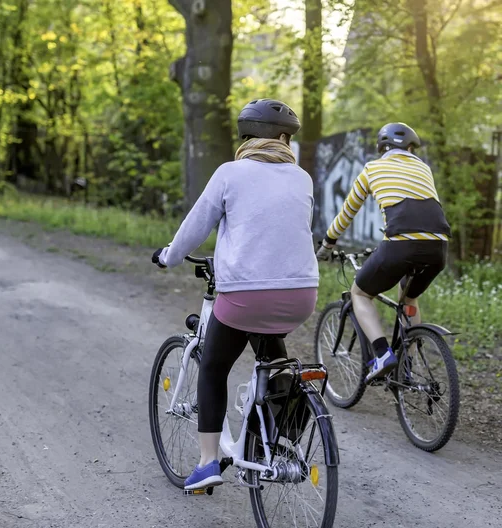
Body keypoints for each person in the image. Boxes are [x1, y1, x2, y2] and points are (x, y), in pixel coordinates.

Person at [151, 99, 318, 490]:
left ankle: (209, 461)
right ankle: (271, 442)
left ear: (246, 137)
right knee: (272, 358)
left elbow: (195, 227)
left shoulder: (230, 173)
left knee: (213, 366)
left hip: (245, 295)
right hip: (301, 294)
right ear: (280, 138)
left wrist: (169, 257)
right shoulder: (303, 178)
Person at [316, 122, 451, 382]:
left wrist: (327, 244)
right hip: (438, 246)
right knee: (409, 300)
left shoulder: (372, 168)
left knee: (361, 293)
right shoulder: (424, 169)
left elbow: (347, 212)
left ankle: (381, 355)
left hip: (401, 244)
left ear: (382, 148)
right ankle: (408, 366)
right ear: (410, 148)